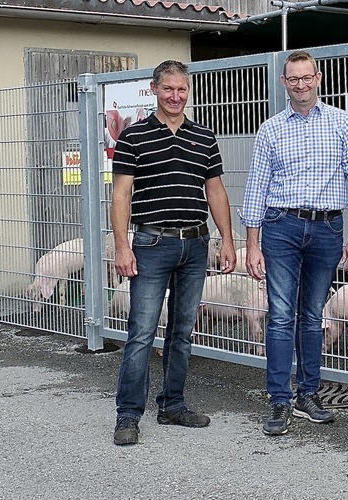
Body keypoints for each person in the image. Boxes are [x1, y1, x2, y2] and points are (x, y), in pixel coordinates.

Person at [240, 50, 348, 436]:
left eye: (306, 77)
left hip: (328, 229)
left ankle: (308, 394)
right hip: (280, 226)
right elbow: (256, 188)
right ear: (284, 83)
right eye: (292, 79)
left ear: (318, 78)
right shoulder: (271, 129)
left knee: (313, 316)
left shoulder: (342, 124)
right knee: (280, 315)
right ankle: (279, 400)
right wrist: (252, 242)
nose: (300, 84)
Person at [111, 60, 237, 446]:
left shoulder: (204, 136)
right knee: (142, 333)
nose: (175, 96)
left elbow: (214, 191)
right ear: (154, 90)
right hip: (151, 244)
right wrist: (121, 245)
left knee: (182, 332)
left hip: (196, 246)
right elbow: (121, 194)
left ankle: (173, 404)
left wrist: (227, 240)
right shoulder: (133, 137)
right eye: (168, 89)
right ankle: (128, 415)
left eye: (182, 89)